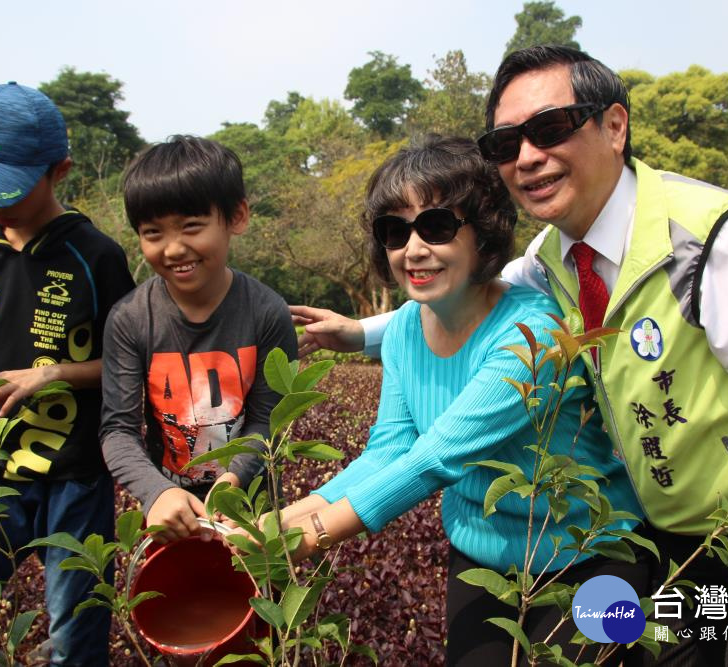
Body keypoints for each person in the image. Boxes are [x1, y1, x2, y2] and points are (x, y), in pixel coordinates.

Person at [291, 47, 728, 667]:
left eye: (550, 128)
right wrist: (362, 334)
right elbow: (465, 292)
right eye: (507, 143)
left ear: (615, 127)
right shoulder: (550, 258)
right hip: (676, 531)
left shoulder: (710, 239)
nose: (528, 156)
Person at [270, 136, 644, 666]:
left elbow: (438, 456)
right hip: (482, 553)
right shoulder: (402, 329)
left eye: (437, 226)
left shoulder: (530, 333)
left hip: (586, 552)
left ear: (484, 232)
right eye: (395, 232)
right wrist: (286, 519)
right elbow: (388, 451)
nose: (414, 249)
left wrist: (311, 536)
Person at [0, 82, 135, 665]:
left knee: (76, 631)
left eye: (11, 190)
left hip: (75, 469)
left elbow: (128, 362)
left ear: (60, 171)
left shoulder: (95, 255)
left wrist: (49, 376)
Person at [100, 136, 297, 544]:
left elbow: (268, 420)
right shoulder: (130, 319)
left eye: (192, 226)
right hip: (169, 514)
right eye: (153, 232)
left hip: (248, 509)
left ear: (236, 217)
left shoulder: (266, 312)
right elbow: (118, 429)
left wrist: (235, 476)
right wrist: (156, 492)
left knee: (258, 602)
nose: (173, 248)